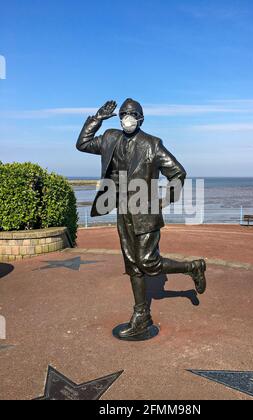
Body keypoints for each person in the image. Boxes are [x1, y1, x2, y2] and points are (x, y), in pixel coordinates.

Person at [76, 99, 206, 338]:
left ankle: (192, 267)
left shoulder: (153, 144)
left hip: (145, 211)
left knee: (148, 262)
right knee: (132, 264)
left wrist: (164, 200)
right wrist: (97, 118)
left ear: (141, 118)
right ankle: (141, 316)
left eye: (132, 114)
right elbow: (82, 144)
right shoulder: (110, 138)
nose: (127, 117)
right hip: (122, 210)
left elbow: (178, 172)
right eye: (123, 114)